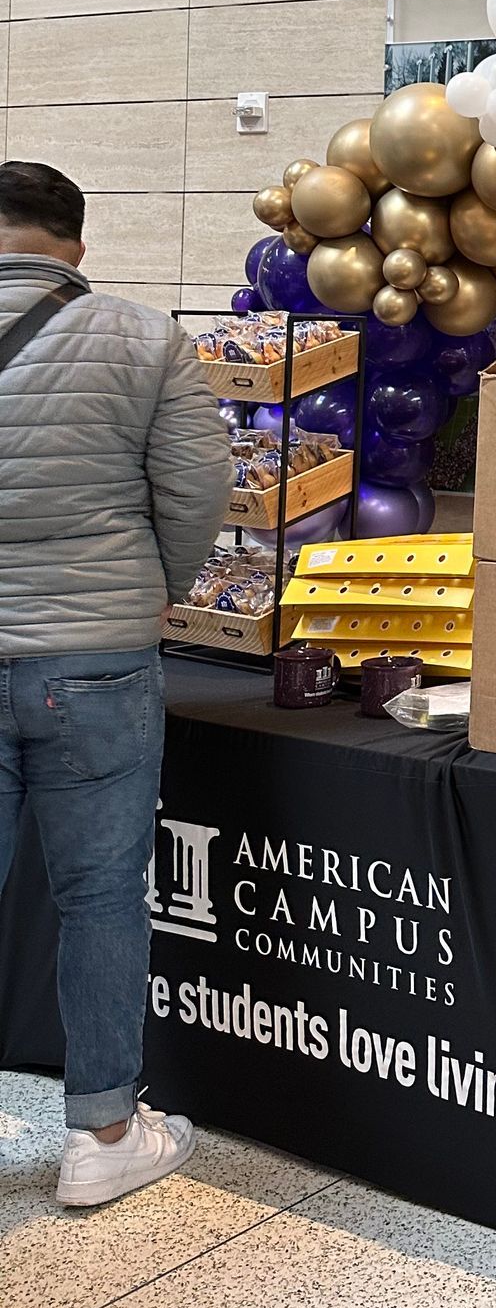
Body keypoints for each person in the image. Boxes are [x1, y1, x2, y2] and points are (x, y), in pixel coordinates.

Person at [0, 163, 230, 1207]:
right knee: (99, 896)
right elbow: (194, 494)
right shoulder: (147, 340)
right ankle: (102, 1133)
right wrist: (151, 596)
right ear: (77, 248)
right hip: (95, 659)